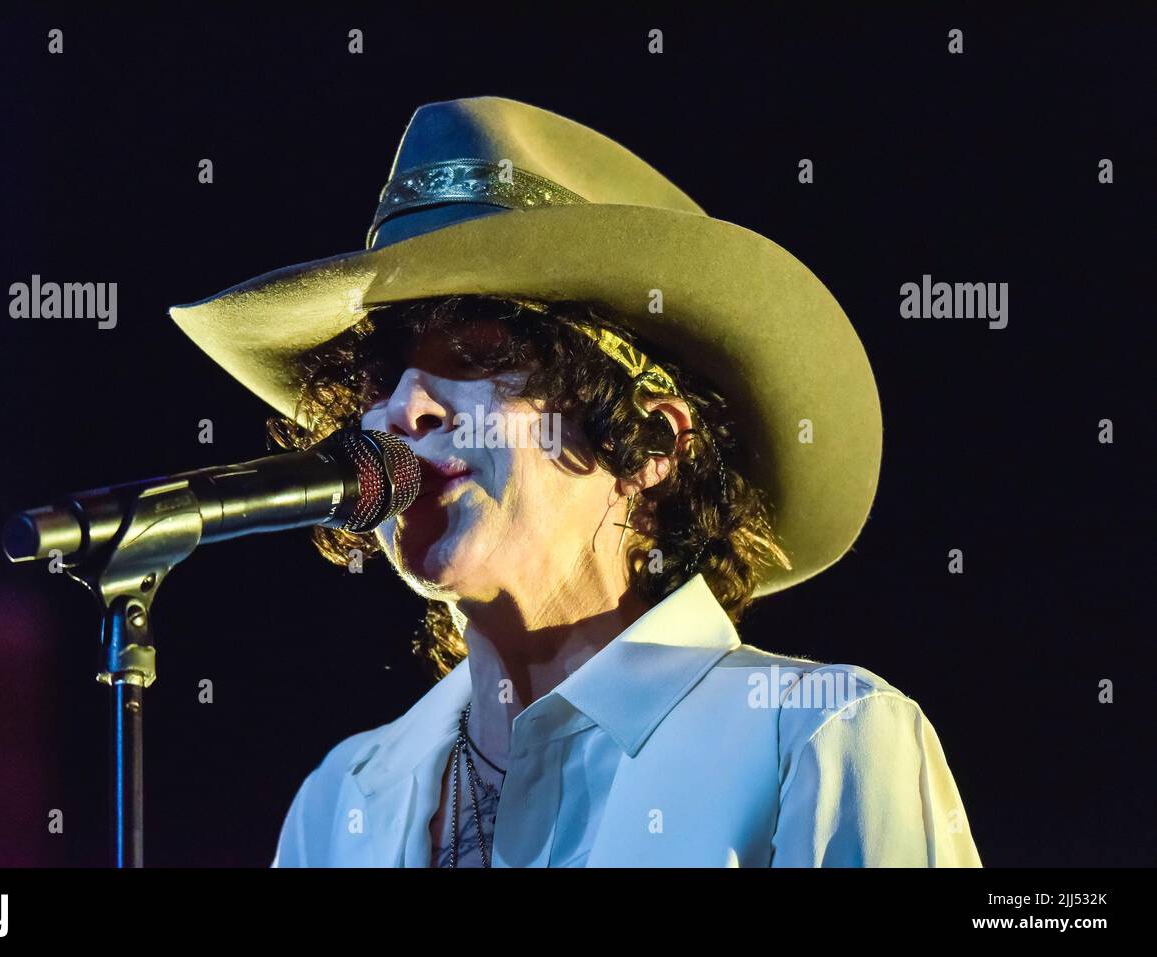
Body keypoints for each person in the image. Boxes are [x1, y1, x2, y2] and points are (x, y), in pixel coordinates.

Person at [169, 96, 981, 867]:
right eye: (381, 376)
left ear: (651, 442)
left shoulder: (819, 740)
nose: (402, 408)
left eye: (481, 356)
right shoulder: (340, 800)